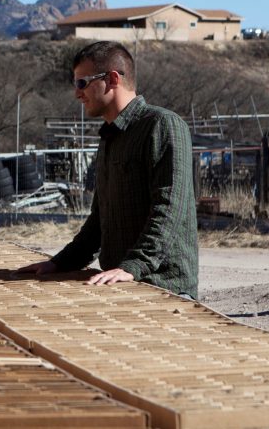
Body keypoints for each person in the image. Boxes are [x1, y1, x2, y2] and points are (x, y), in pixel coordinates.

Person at [18, 41, 198, 299]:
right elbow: (100, 220)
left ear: (112, 78)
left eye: (82, 83)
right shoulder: (109, 138)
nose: (77, 93)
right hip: (120, 283)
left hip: (163, 288)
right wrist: (59, 263)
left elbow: (169, 209)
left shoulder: (163, 125)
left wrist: (133, 266)